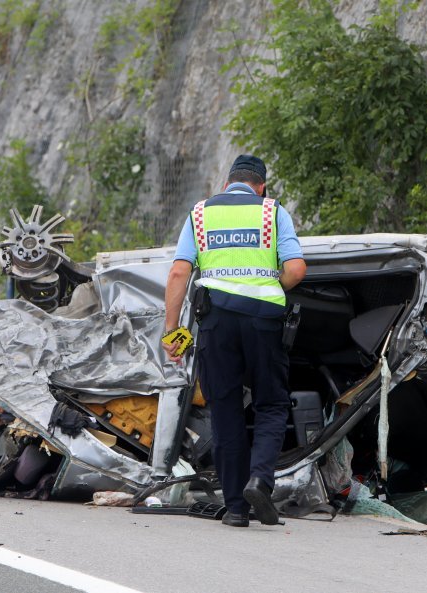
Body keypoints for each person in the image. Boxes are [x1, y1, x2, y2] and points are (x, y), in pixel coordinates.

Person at [162, 155, 306, 527]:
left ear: (228, 184)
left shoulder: (200, 214)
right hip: (263, 322)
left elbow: (180, 271)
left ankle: (237, 509)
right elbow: (295, 270)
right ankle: (260, 479)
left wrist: (170, 329)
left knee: (225, 409)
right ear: (261, 187)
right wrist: (269, 285)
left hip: (216, 323)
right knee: (271, 404)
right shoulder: (273, 212)